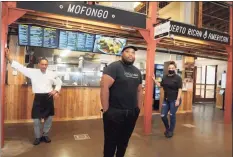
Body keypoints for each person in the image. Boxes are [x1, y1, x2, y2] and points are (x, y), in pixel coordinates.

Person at [5, 48, 62, 145]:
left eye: (46, 64)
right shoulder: (33, 72)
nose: (44, 66)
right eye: (42, 64)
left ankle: (45, 135)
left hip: (48, 98)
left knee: (49, 118)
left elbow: (59, 82)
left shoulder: (52, 73)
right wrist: (9, 57)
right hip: (38, 98)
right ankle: (37, 137)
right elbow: (20, 67)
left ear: (47, 65)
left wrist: (56, 90)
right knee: (36, 119)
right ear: (39, 65)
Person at [100, 46, 142, 157]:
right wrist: (106, 110)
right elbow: (104, 88)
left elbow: (139, 90)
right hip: (114, 112)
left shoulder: (137, 71)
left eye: (133, 52)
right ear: (122, 53)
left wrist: (138, 108)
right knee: (110, 142)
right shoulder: (113, 67)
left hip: (132, 113)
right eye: (127, 51)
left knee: (124, 141)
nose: (130, 54)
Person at [152, 61, 182, 138]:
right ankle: (167, 128)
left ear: (175, 69)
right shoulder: (165, 77)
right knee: (163, 115)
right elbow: (160, 85)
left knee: (172, 115)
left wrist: (178, 100)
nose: (171, 69)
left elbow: (180, 89)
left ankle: (171, 131)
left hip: (175, 99)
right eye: (169, 68)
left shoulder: (178, 78)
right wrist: (154, 80)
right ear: (167, 69)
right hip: (166, 99)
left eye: (172, 68)